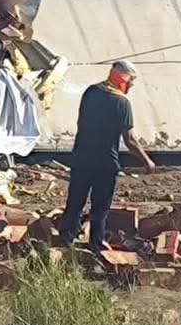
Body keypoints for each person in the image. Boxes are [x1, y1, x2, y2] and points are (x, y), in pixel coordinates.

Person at [59, 59, 156, 253]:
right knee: (100, 209)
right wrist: (147, 161)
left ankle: (65, 243)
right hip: (105, 164)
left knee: (74, 203)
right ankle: (95, 248)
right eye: (130, 82)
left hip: (81, 158)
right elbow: (130, 140)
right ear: (123, 80)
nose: (131, 86)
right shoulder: (122, 103)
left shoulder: (90, 92)